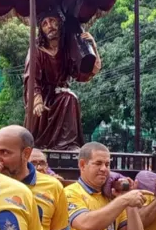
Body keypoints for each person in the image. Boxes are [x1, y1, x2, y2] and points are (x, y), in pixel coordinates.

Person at [23, 8, 101, 150]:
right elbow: (31, 77)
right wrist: (36, 101)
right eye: (45, 24)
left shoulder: (67, 49)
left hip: (61, 96)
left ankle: (68, 145)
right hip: (43, 96)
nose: (49, 26)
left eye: (52, 21)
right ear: (41, 29)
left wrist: (92, 47)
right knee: (67, 99)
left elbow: (81, 75)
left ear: (60, 23)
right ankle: (47, 144)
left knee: (70, 98)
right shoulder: (36, 50)